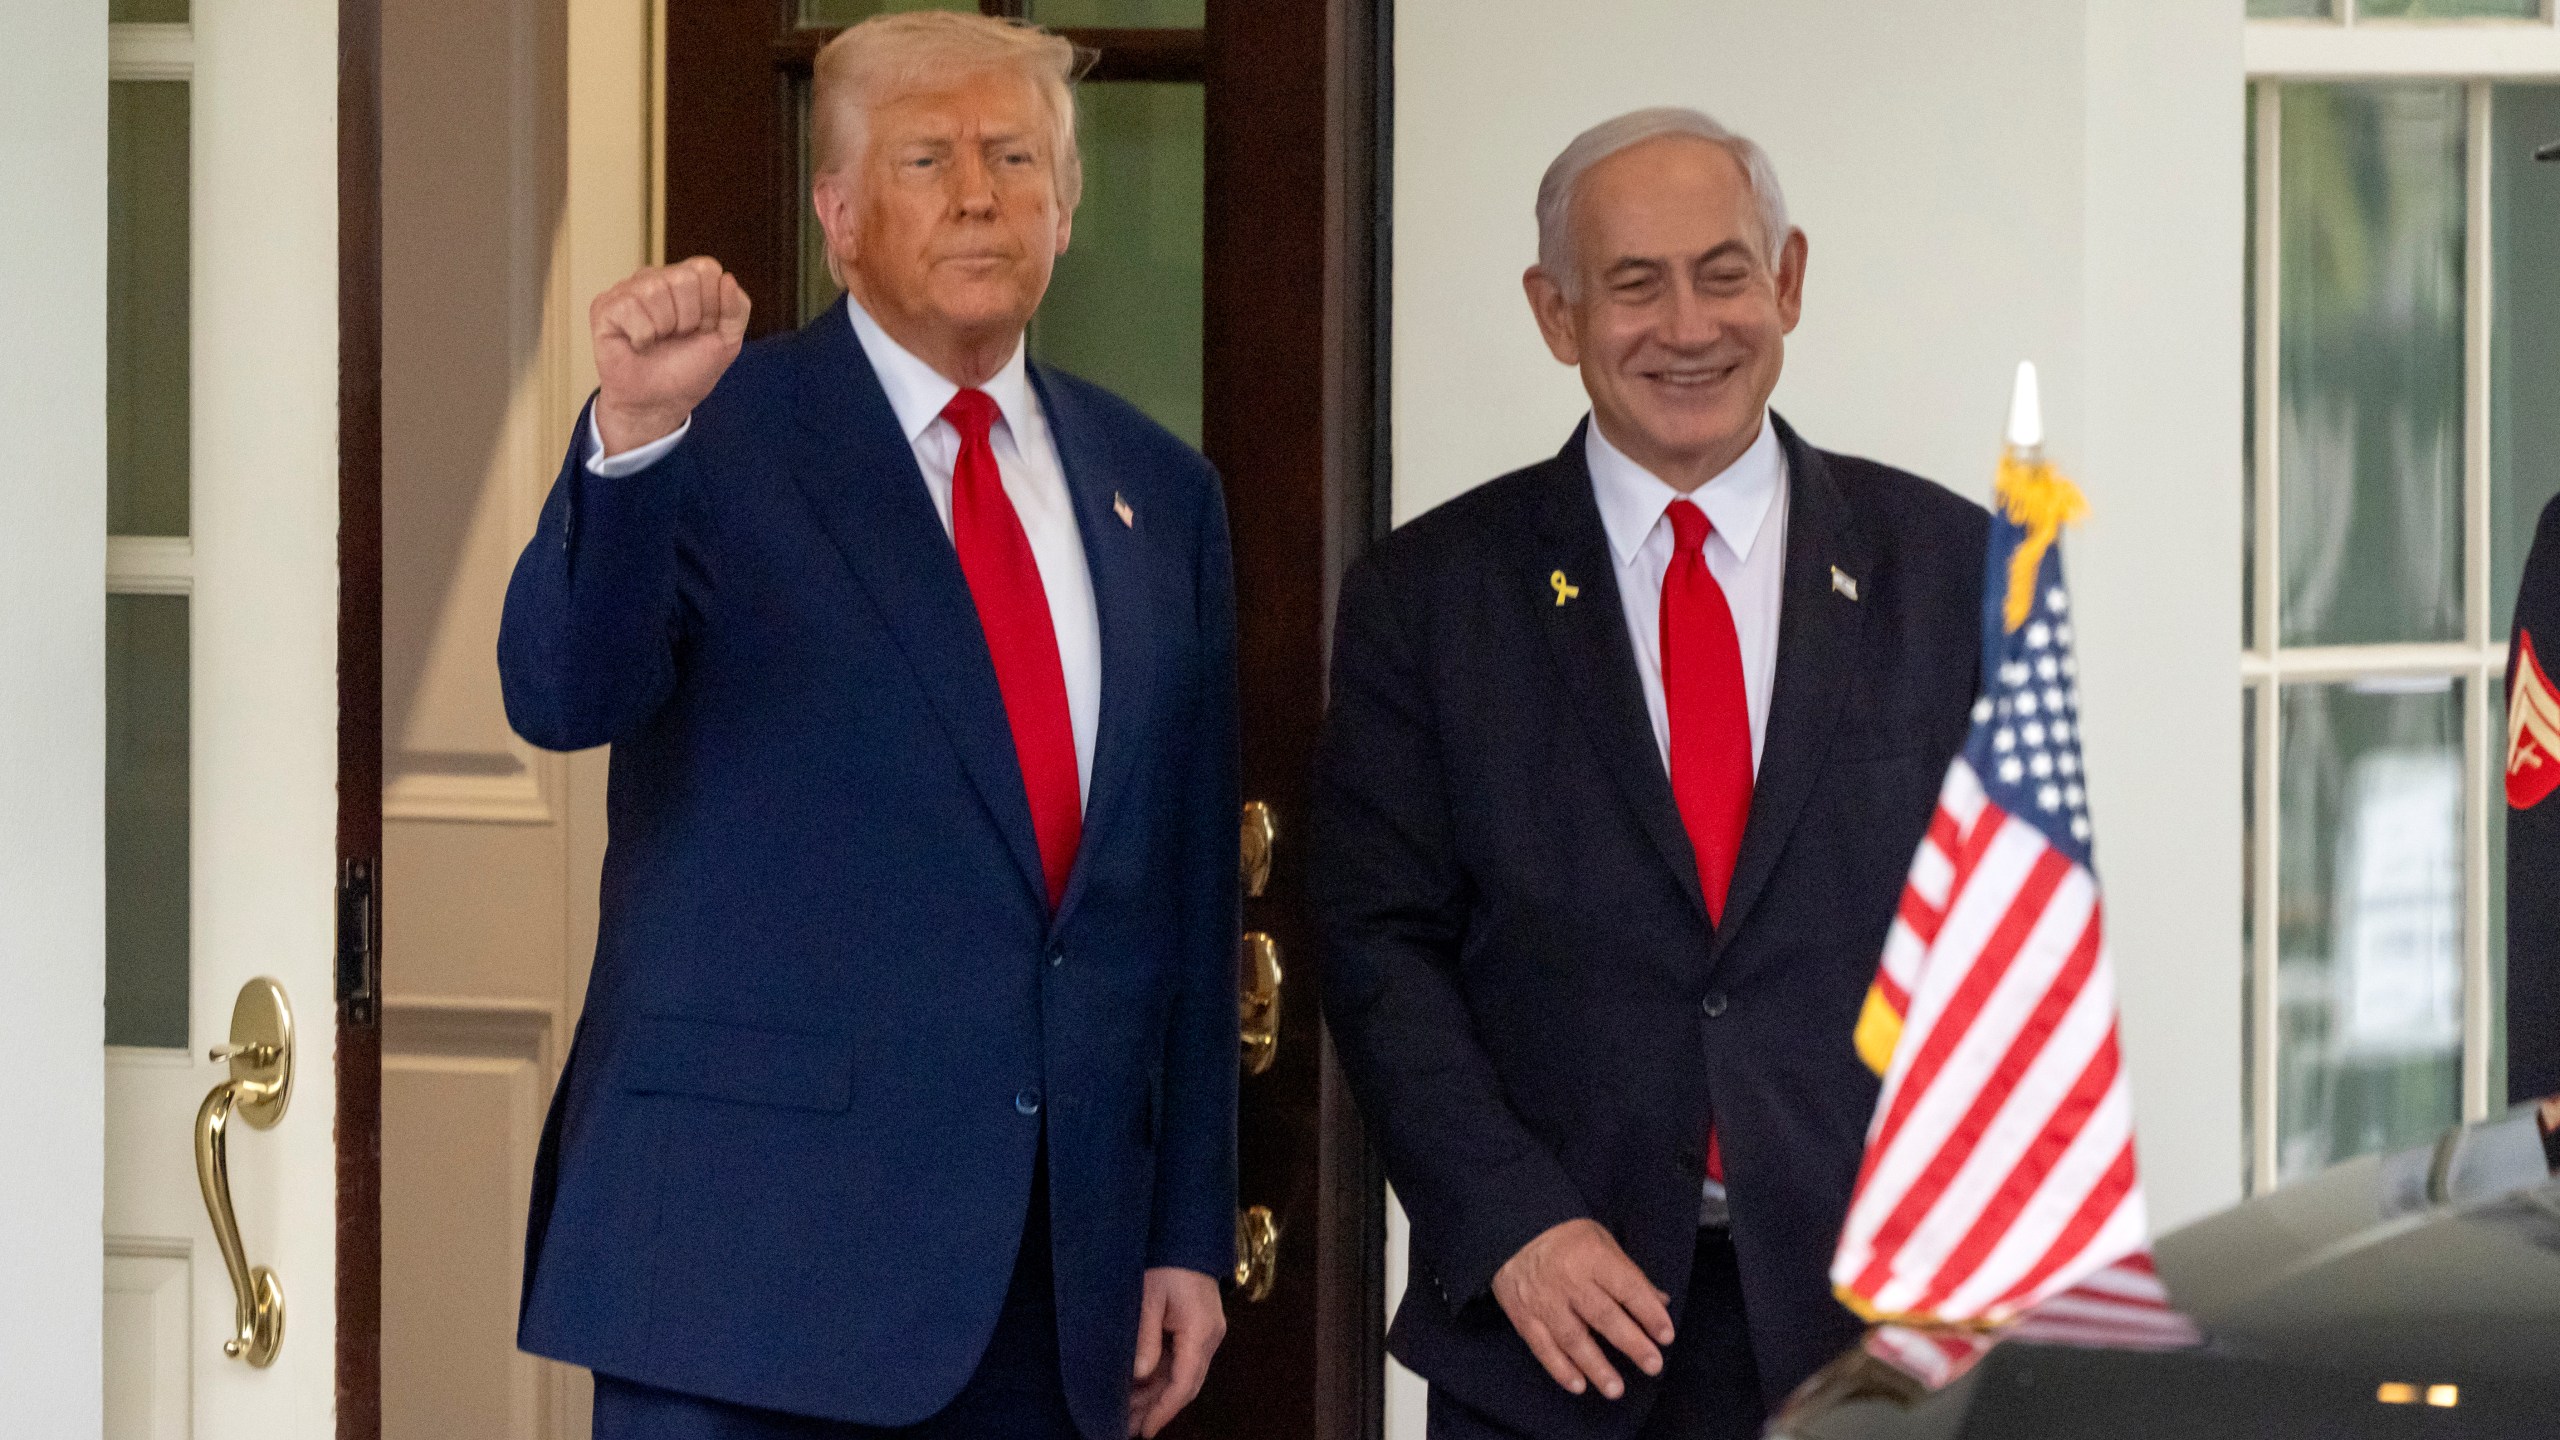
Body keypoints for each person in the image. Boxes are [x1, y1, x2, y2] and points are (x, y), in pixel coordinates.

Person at [496, 14, 1237, 1439]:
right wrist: (631, 437)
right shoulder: (711, 433)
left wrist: (1184, 1228)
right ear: (836, 217)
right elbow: (565, 694)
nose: (979, 195)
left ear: (1067, 208)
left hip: (1050, 1289)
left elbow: (1184, 894)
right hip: (743, 1280)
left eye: (1014, 158)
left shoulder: (1159, 490)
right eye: (926, 160)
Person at [1312, 109, 1987, 1439]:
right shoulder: (1427, 596)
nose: (1689, 327)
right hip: (1553, 1335)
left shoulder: (1953, 568)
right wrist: (1510, 1222)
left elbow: (2010, 940)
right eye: (1635, 285)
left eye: (1724, 275)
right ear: (1555, 313)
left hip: (1880, 1339)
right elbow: (1378, 945)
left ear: (1788, 280)